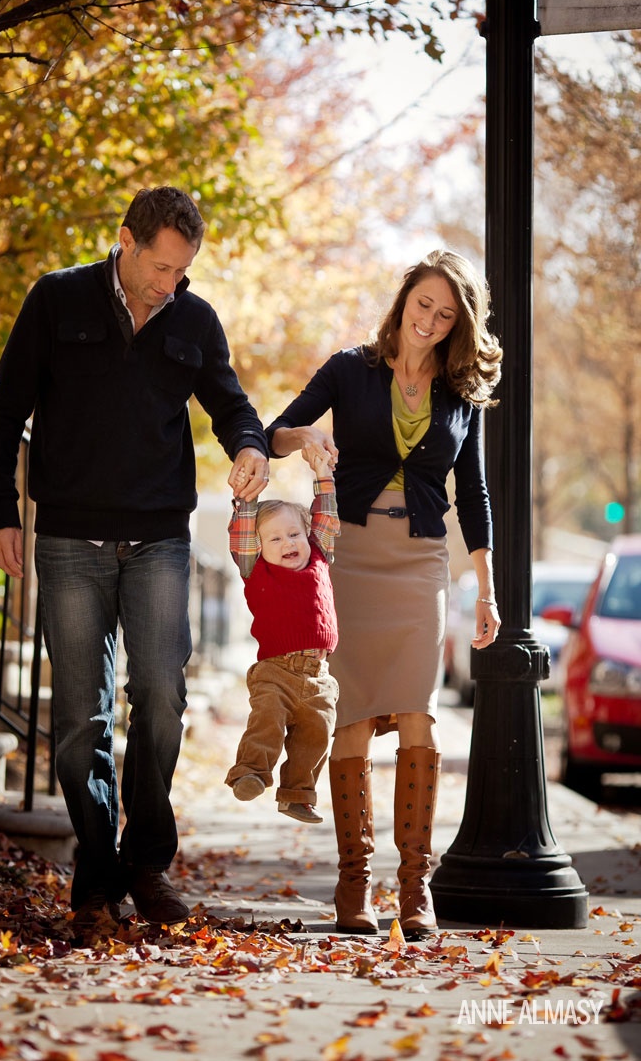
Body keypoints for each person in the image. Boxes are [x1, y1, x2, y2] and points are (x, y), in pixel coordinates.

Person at [0, 186, 270, 936]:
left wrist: (249, 445)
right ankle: (98, 876)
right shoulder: (56, 299)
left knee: (162, 697)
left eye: (181, 271)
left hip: (159, 542)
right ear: (125, 240)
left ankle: (147, 862)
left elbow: (231, 403)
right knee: (79, 723)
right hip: (70, 541)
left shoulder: (194, 319)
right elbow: (4, 413)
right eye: (160, 267)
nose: (167, 285)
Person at [266, 249, 503, 938]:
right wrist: (307, 435)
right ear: (402, 304)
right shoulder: (350, 369)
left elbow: (475, 493)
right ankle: (353, 883)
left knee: (419, 712)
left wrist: (486, 589)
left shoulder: (460, 393)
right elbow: (274, 433)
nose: (429, 320)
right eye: (422, 304)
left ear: (458, 324)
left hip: (423, 563)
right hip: (351, 559)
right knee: (356, 717)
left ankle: (414, 887)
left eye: (445, 313)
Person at [225, 452, 340, 823]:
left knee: (317, 734)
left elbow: (325, 520)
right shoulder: (256, 570)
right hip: (276, 671)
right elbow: (243, 531)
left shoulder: (319, 557)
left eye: (294, 534)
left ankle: (297, 794)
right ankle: (250, 773)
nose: (288, 542)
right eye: (274, 538)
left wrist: (323, 475)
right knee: (268, 719)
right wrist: (247, 495)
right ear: (259, 548)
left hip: (319, 676)